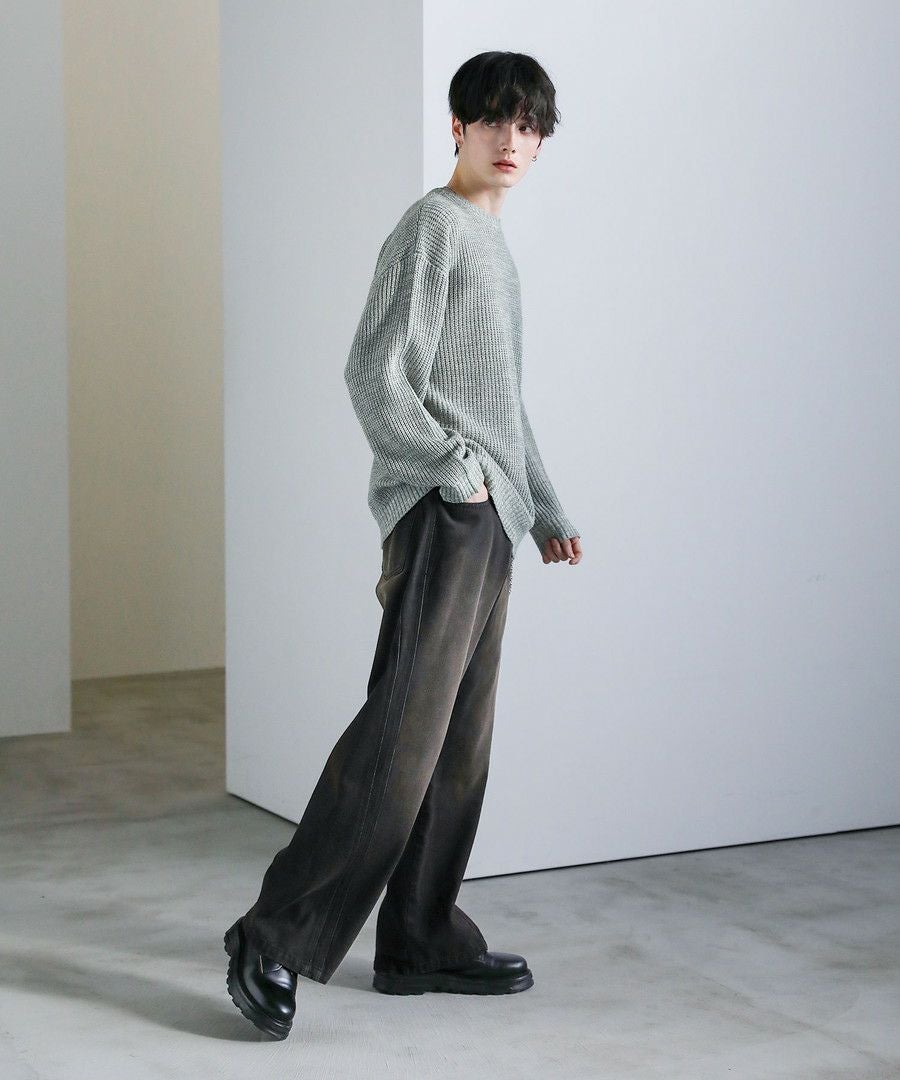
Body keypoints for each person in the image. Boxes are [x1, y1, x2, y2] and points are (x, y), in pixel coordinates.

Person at [224, 50, 582, 1039]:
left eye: (528, 125)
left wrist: (544, 506)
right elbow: (375, 370)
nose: (511, 140)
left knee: (457, 748)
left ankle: (420, 937)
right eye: (493, 119)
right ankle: (272, 935)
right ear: (458, 126)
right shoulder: (434, 227)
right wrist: (451, 469)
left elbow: (500, 405)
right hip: (445, 513)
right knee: (401, 740)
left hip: (490, 517)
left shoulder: (491, 244)